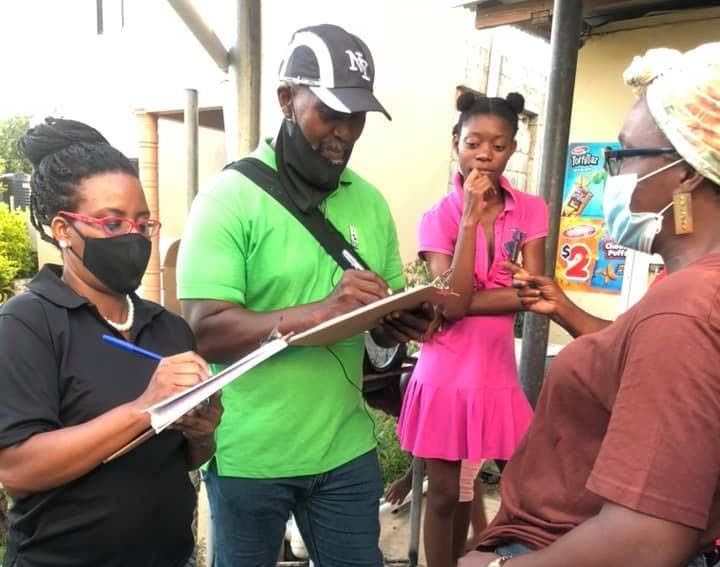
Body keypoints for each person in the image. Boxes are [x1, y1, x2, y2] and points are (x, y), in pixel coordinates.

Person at [176, 24, 431, 567]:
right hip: (249, 454)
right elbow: (204, 329)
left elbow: (373, 318)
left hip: (345, 449)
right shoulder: (228, 198)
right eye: (329, 113)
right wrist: (319, 312)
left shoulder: (371, 202)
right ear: (287, 99)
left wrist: (394, 323)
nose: (343, 132)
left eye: (356, 117)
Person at [460, 42, 720, 567]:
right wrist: (568, 312)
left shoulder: (687, 306)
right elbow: (639, 360)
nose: (611, 177)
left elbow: (643, 542)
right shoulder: (688, 290)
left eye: (622, 157)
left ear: (687, 172)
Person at [0, 118, 222, 567]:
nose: (134, 237)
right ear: (63, 229)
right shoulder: (26, 325)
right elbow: (17, 470)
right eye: (112, 222)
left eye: (143, 223)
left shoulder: (169, 329)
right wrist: (145, 408)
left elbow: (187, 459)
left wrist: (203, 433)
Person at [396, 91, 549, 567]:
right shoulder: (438, 217)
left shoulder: (530, 210)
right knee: (444, 494)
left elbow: (536, 293)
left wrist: (471, 301)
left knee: (522, 484)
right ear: (455, 142)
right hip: (445, 372)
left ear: (513, 150)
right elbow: (453, 303)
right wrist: (468, 223)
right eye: (473, 143)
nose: (484, 154)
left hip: (497, 371)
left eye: (498, 145)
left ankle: (476, 556)